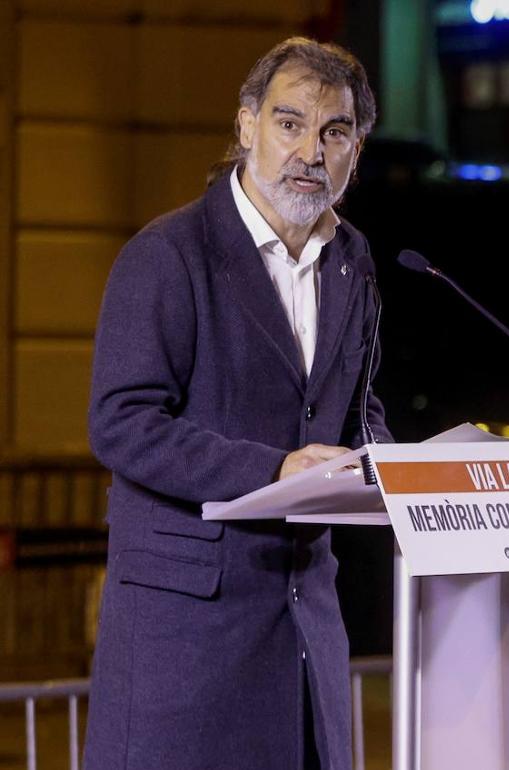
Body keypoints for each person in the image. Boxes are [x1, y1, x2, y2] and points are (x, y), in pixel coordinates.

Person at [83, 38, 389, 770]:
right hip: (186, 641)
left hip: (304, 632)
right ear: (247, 125)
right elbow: (121, 423)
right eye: (290, 124)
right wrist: (275, 469)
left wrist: (389, 464)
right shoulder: (168, 254)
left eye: (334, 132)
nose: (309, 152)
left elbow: (356, 407)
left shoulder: (352, 261)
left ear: (356, 151)